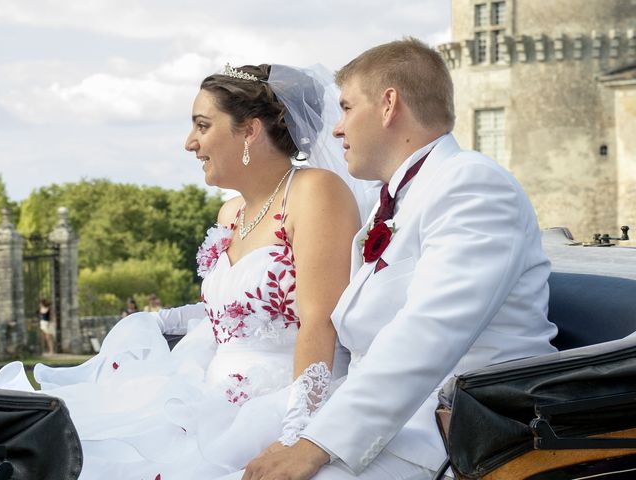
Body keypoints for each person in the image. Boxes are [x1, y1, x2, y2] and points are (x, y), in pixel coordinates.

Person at [0, 63, 367, 479]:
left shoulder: (316, 191)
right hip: (209, 391)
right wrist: (162, 319)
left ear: (250, 131)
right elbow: (237, 311)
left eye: (202, 126)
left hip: (281, 398)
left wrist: (297, 433)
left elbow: (319, 319)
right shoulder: (231, 212)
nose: (190, 143)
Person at [237, 37, 559, 480]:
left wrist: (315, 444)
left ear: (389, 105)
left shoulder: (472, 183)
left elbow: (429, 329)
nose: (335, 128)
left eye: (347, 108)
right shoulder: (392, 201)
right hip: (389, 424)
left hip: (457, 435)